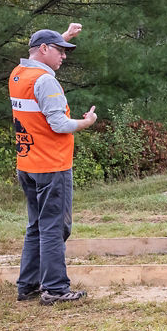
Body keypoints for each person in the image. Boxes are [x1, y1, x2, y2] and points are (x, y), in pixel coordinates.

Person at [11, 23, 98, 305]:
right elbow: (59, 124)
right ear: (45, 50)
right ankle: (55, 289)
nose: (64, 56)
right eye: (60, 51)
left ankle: (28, 285)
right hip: (51, 165)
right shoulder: (46, 81)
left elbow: (42, 46)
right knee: (54, 228)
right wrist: (86, 122)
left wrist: (65, 36)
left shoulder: (18, 74)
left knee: (36, 226)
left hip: (28, 163)